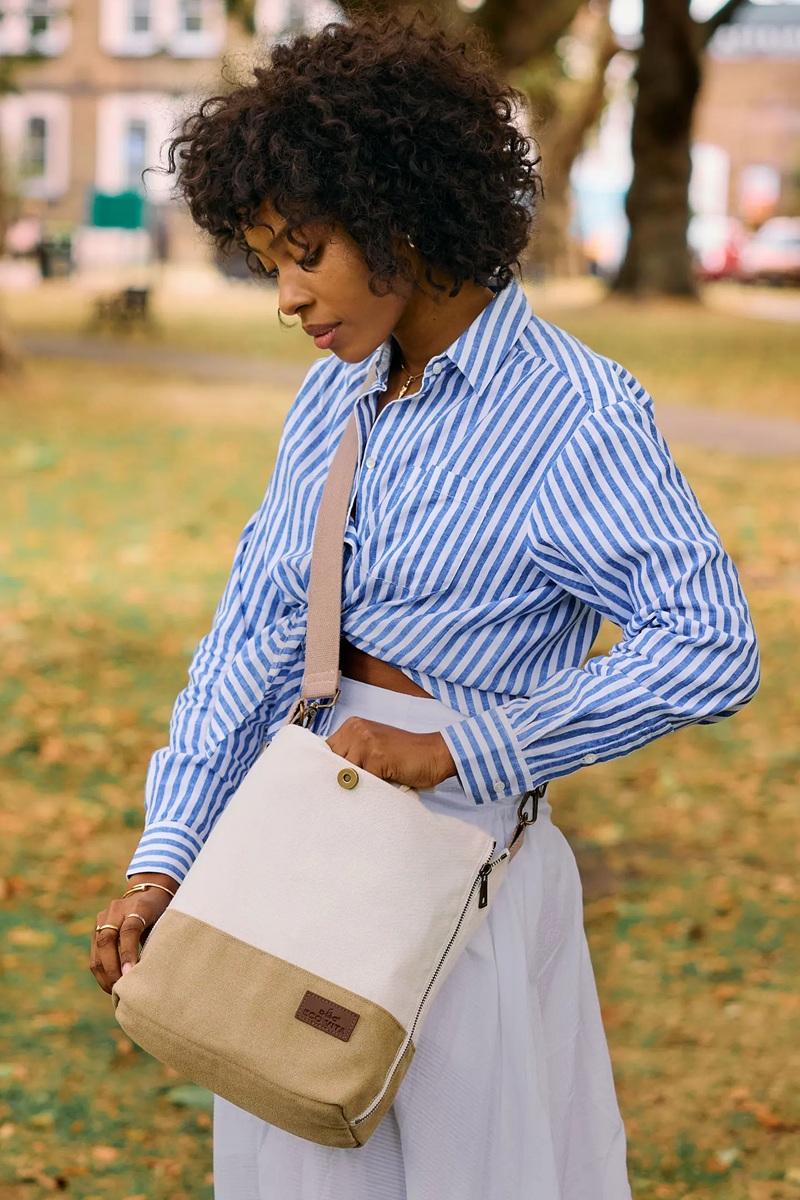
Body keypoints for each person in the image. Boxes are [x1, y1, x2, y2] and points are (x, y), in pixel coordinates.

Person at [89, 10, 760, 1198]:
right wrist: (165, 858)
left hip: (453, 879)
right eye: (268, 261)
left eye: (306, 251)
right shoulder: (332, 401)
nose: (288, 297)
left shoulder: (572, 414)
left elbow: (706, 647)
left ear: (400, 211)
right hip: (293, 857)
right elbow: (249, 640)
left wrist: (458, 748)